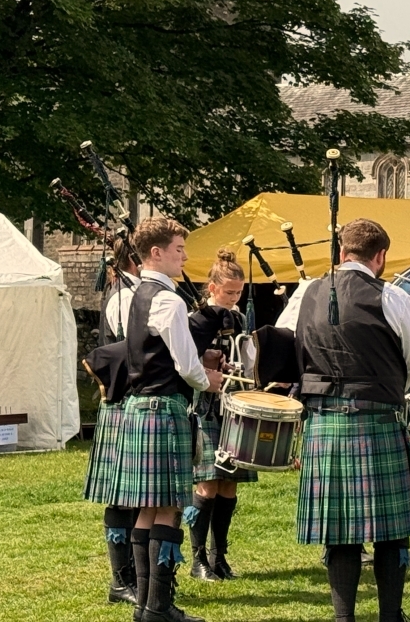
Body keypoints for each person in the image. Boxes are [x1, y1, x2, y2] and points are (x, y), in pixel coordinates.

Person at [295, 218, 410, 622]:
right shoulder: (393, 297)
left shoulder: (307, 292)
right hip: (377, 419)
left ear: (341, 253)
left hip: (324, 422)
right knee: (391, 529)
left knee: (338, 531)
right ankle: (390, 615)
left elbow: (287, 345)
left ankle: (343, 618)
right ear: (380, 256)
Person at [110, 218, 223, 622]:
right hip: (164, 410)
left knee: (146, 509)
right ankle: (157, 607)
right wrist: (206, 379)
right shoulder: (168, 300)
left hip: (140, 407)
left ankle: (146, 606)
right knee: (170, 508)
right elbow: (185, 364)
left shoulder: (136, 295)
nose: (185, 256)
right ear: (156, 253)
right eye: (179, 249)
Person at [187, 249, 253, 582]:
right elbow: (184, 359)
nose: (232, 297)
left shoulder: (239, 319)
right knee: (208, 483)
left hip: (234, 406)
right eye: (228, 292)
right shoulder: (196, 318)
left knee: (229, 484)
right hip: (205, 405)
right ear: (211, 287)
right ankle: (198, 560)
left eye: (238, 292)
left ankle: (219, 557)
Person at [82, 246, 141, 606]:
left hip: (129, 403)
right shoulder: (124, 298)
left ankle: (134, 576)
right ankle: (121, 581)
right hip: (121, 402)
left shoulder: (136, 293)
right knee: (121, 496)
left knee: (136, 497)